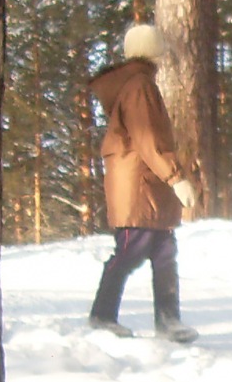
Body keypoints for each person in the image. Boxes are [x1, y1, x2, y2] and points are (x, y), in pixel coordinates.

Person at [86, 24, 200, 343]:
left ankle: (169, 321)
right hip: (139, 187)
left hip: (149, 184)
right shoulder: (139, 86)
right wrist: (176, 178)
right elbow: (147, 139)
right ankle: (102, 315)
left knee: (164, 253)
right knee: (130, 251)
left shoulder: (139, 83)